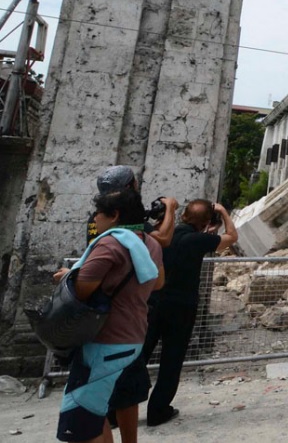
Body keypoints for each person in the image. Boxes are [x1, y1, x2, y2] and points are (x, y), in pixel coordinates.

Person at [54, 189, 164, 443]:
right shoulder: (151, 244)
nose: (95, 219)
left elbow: (82, 289)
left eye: (98, 213)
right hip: (133, 336)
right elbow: (158, 282)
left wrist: (67, 276)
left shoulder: (109, 244)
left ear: (114, 215)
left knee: (82, 419)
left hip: (103, 339)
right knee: (105, 407)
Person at [90, 166, 177, 443]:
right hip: (126, 320)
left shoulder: (98, 220)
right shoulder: (128, 224)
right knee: (120, 388)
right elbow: (161, 241)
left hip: (100, 315)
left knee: (97, 390)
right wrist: (171, 210)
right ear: (129, 188)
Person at [142, 199, 237, 427]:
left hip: (153, 303)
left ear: (184, 215)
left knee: (139, 355)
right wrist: (223, 212)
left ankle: (116, 410)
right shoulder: (198, 240)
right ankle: (158, 410)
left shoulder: (161, 233)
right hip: (181, 307)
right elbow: (231, 238)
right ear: (206, 222)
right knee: (171, 361)